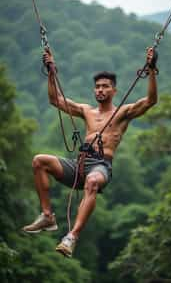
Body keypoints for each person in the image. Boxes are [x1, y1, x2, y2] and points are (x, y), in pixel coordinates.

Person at [22, 47, 158, 257]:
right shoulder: (87, 111)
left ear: (114, 91)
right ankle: (48, 216)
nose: (100, 90)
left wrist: (151, 70)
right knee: (39, 161)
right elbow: (55, 100)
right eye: (97, 87)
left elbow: (150, 101)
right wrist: (51, 71)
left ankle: (72, 236)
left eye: (105, 86)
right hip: (79, 165)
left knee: (92, 182)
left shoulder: (122, 112)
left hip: (101, 166)